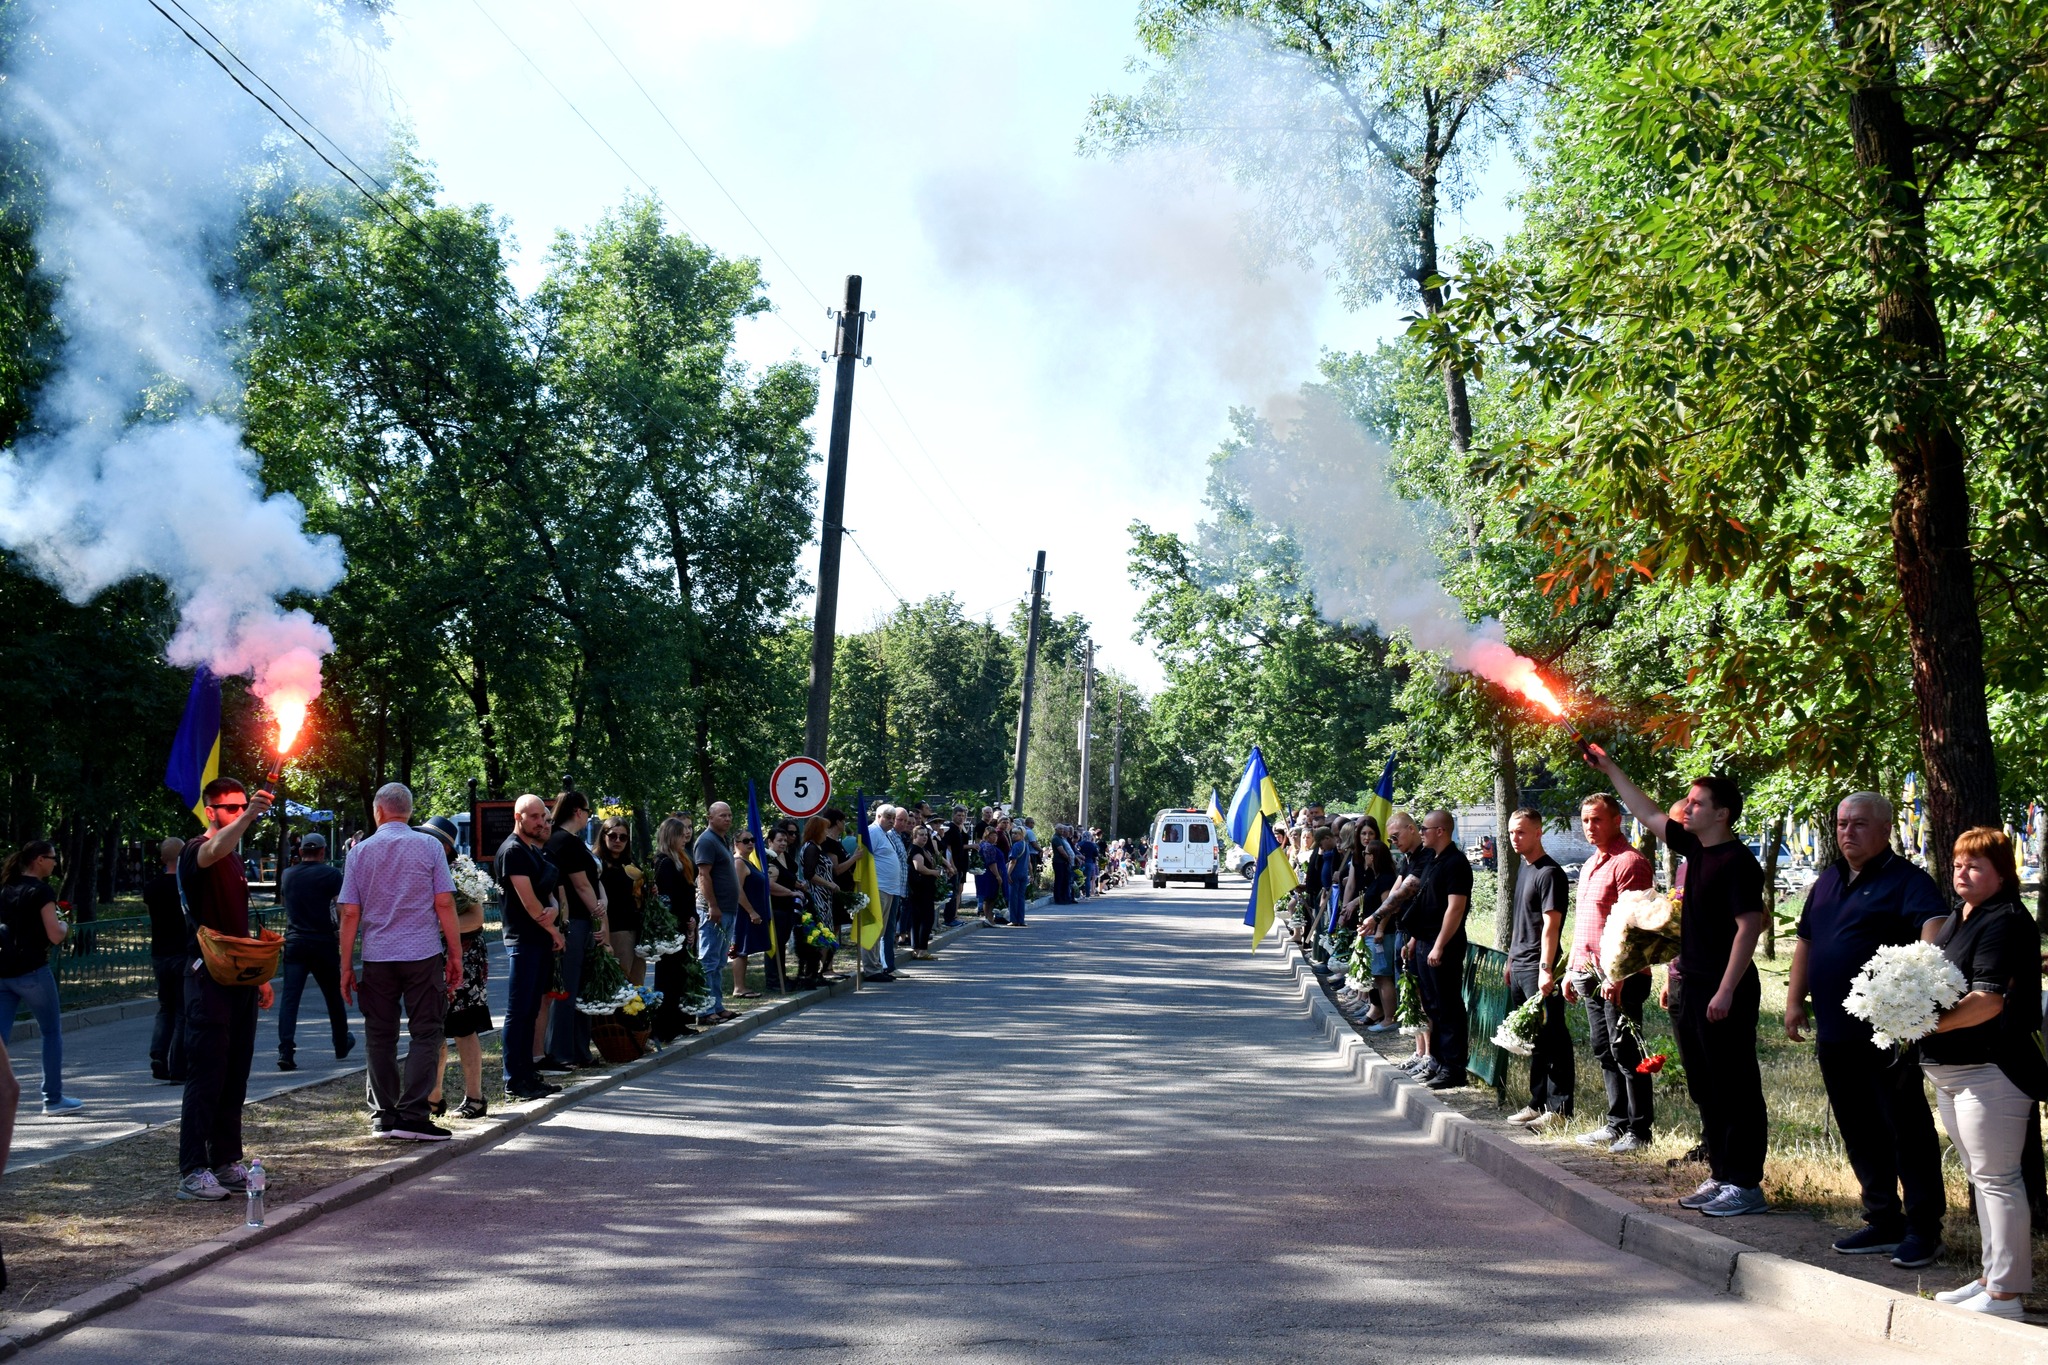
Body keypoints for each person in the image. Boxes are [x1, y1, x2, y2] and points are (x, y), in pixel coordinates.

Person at [1587, 746, 1769, 1218]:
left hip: (1723, 988)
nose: (1686, 808)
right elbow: (1647, 812)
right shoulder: (1694, 849)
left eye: (1696, 803)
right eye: (1687, 802)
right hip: (1690, 984)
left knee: (1734, 1085)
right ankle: (1722, 1173)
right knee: (1705, 1085)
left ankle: (1746, 1184)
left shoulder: (1738, 861)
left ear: (1722, 814)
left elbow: (1750, 926)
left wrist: (1726, 989)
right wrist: (1610, 768)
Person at [1785, 792, 1947, 1268]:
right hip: (1835, 1031)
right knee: (1859, 1128)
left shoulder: (1908, 880)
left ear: (1884, 829)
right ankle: (1882, 1219)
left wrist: (1919, 986)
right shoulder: (1827, 880)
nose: (1847, 832)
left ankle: (1924, 1229)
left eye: (1858, 823)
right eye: (1841, 824)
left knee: (1906, 1130)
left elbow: (1934, 927)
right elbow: (1806, 942)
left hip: (1887, 1034)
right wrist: (1794, 1002)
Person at [1919, 827, 2046, 1318]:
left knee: (1998, 1179)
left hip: (1992, 1068)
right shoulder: (1960, 915)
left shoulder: (2005, 919)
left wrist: (1924, 1025)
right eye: (1957, 864)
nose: (1962, 873)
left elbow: (1988, 1001)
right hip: (1953, 1071)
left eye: (1974, 865)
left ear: (2002, 873)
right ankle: (1991, 1278)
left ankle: (2007, 1295)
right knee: (1982, 1176)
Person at [337, 783, 460, 1142]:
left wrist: (346, 966)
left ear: (378, 812)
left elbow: (349, 913)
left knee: (379, 1035)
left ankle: (384, 1115)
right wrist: (454, 953)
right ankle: (414, 1115)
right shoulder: (429, 846)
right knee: (426, 1032)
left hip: (377, 956)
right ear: (409, 812)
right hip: (422, 953)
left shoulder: (359, 853)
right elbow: (444, 903)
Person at [174, 777, 275, 1201]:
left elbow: (237, 925)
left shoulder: (234, 857)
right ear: (210, 810)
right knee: (207, 1074)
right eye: (229, 807)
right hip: (207, 980)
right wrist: (249, 815)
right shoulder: (196, 849)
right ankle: (193, 1169)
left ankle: (226, 1160)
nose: (237, 812)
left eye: (241, 805)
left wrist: (259, 977)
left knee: (235, 1073)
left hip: (238, 979)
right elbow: (212, 851)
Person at [1566, 794, 1658, 1154]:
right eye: (1586, 820)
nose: (1590, 827)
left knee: (1627, 1050)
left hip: (1621, 976)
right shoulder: (1591, 863)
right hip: (1589, 972)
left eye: (1597, 819)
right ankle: (1616, 1123)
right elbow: (1585, 924)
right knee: (1604, 1049)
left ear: (1617, 820)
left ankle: (1639, 1130)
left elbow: (1636, 926)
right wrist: (1571, 969)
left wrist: (1616, 975)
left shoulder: (1630, 862)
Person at [1503, 809, 1573, 1130]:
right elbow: (1520, 920)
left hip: (1539, 967)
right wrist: (1510, 960)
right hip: (1519, 964)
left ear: (1538, 832)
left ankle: (1560, 1110)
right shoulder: (1524, 868)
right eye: (1511, 832)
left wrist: (1546, 969)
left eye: (1521, 832)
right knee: (1536, 1040)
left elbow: (1550, 926)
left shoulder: (1550, 873)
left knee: (1554, 1037)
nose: (1514, 838)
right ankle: (1538, 1103)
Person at [495, 794, 566, 1101]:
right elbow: (528, 901)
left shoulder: (533, 850)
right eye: (534, 816)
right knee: (519, 1011)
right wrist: (553, 929)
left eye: (543, 817)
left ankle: (528, 1074)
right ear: (518, 817)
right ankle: (514, 1078)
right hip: (523, 940)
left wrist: (554, 909)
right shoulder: (513, 850)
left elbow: (547, 892)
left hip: (538, 939)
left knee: (531, 1010)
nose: (540, 822)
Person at [0, 841, 78, 1115]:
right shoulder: (41, 891)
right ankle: (53, 1099)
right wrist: (65, 925)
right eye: (52, 858)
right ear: (38, 860)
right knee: (51, 1032)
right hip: (33, 972)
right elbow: (55, 935)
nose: (55, 862)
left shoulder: (6, 887)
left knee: (1, 1038)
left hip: (3, 972)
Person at [421, 816, 490, 1121]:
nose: (425, 843)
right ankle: (433, 1098)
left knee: (463, 1027)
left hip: (465, 956)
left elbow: (476, 918)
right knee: (432, 1027)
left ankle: (475, 1097)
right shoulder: (418, 866)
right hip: (428, 956)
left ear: (447, 847)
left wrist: (437, 925)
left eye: (433, 839)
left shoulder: (462, 872)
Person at [1398, 811, 1471, 1090]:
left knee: (1448, 1007)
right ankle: (1437, 1062)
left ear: (1440, 831)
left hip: (1444, 946)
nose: (1421, 833)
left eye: (1425, 828)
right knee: (1432, 1005)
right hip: (1425, 942)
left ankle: (1453, 1068)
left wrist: (1439, 944)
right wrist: (1415, 940)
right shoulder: (1433, 860)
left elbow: (1455, 908)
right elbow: (1425, 904)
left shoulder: (1456, 863)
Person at [274, 832, 355, 1072]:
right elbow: (341, 907)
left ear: (301, 852)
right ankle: (340, 1043)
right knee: (332, 995)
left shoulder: (288, 874)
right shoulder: (331, 874)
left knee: (290, 999)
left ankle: (285, 1050)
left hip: (295, 942)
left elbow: (285, 903)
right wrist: (342, 932)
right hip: (323, 943)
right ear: (322, 851)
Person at [544, 791, 606, 1068]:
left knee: (580, 989)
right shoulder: (564, 841)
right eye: (588, 811)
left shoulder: (568, 841)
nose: (588, 816)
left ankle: (580, 1050)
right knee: (567, 989)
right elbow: (581, 885)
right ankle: (561, 1052)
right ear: (578, 812)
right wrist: (598, 913)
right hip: (574, 922)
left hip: (581, 920)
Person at [650, 816, 701, 1041]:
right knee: (668, 977)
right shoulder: (664, 862)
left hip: (684, 921)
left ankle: (678, 1021)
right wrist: (683, 920)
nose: (685, 837)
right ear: (671, 836)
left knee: (680, 976)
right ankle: (664, 1026)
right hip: (671, 926)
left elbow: (688, 892)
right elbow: (667, 898)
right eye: (681, 834)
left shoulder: (682, 858)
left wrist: (692, 918)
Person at [141, 837, 188, 1082]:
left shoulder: (152, 887)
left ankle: (158, 1054)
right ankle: (179, 1067)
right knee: (182, 1011)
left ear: (162, 858)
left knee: (165, 1006)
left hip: (159, 952)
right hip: (183, 953)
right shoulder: (187, 886)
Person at [694, 801, 741, 1022]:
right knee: (709, 961)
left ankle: (718, 1006)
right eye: (722, 815)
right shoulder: (706, 841)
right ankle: (705, 1011)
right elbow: (703, 876)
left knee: (720, 962)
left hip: (728, 910)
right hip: (714, 911)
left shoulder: (721, 840)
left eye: (729, 815)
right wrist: (713, 905)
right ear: (710, 818)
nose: (728, 819)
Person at [596, 817, 643, 986]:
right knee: (619, 985)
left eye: (623, 837)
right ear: (604, 836)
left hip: (636, 929)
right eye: (612, 836)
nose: (617, 841)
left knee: (636, 985)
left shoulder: (631, 863)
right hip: (614, 929)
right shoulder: (597, 863)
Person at [862, 805, 904, 979]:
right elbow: (864, 858)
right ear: (878, 816)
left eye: (893, 818)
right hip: (877, 887)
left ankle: (877, 966)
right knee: (873, 928)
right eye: (888, 817)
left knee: (880, 930)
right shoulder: (873, 832)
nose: (892, 821)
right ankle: (871, 969)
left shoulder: (884, 834)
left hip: (888, 889)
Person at [730, 829, 767, 999]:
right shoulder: (738, 863)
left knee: (745, 950)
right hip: (744, 914)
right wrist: (751, 911)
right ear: (736, 844)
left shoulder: (748, 862)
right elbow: (737, 890)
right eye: (745, 841)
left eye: (752, 840)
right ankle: (739, 987)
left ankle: (742, 986)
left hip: (752, 912)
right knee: (740, 950)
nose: (750, 843)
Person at [905, 824, 940, 959]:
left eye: (926, 835)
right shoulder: (915, 850)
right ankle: (922, 950)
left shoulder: (922, 849)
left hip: (924, 889)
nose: (925, 837)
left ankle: (917, 948)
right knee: (926, 919)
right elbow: (919, 867)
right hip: (921, 890)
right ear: (914, 836)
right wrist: (933, 872)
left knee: (919, 919)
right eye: (921, 835)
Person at [943, 807, 971, 926]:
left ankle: (954, 915)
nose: (961, 818)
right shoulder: (950, 828)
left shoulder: (960, 829)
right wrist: (951, 865)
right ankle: (949, 918)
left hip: (961, 865)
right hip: (953, 866)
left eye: (963, 816)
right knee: (952, 892)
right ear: (953, 815)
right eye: (959, 815)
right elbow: (948, 848)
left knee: (957, 891)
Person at [1006, 817, 1032, 926]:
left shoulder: (1016, 846)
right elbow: (1029, 861)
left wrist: (1008, 874)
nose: (1013, 835)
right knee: (1021, 897)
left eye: (1016, 833)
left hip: (1015, 873)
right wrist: (1031, 873)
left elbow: (1013, 861)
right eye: (1012, 833)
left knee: (1013, 897)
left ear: (1022, 835)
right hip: (1024, 874)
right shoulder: (1026, 845)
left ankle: (1014, 920)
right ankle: (1021, 920)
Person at [1051, 825, 1075, 905]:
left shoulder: (1061, 838)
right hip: (1059, 862)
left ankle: (1063, 897)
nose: (1062, 831)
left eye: (1062, 829)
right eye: (1060, 829)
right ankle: (1058, 898)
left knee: (1064, 880)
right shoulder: (1056, 838)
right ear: (1056, 829)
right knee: (1059, 880)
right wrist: (1068, 858)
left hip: (1063, 862)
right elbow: (1061, 850)